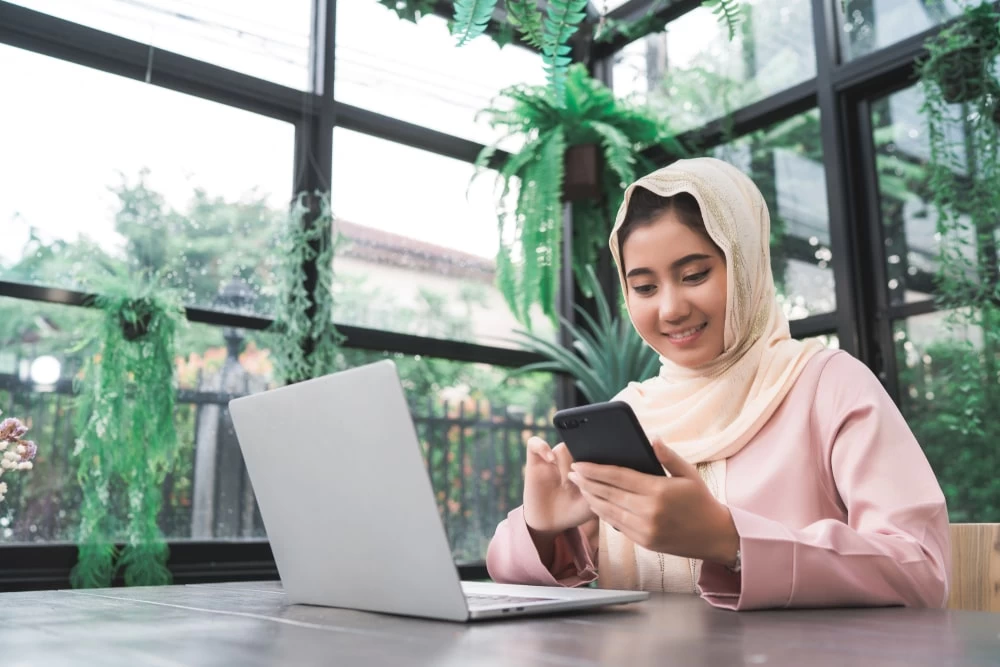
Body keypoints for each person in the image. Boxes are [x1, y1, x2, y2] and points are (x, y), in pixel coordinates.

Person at [486, 157, 951, 610]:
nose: (670, 309)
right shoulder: (632, 412)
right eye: (645, 287)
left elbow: (922, 571)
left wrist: (731, 541)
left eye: (694, 275)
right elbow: (515, 585)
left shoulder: (826, 385)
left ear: (746, 262)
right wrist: (542, 530)